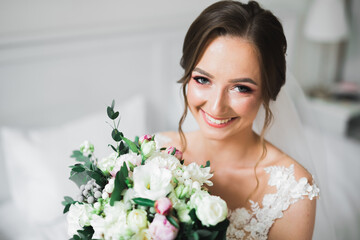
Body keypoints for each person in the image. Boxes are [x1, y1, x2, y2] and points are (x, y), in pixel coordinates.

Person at [157, 1, 329, 239]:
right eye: (203, 80)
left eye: (240, 88)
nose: (217, 106)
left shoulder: (292, 191)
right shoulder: (155, 154)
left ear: (268, 92)